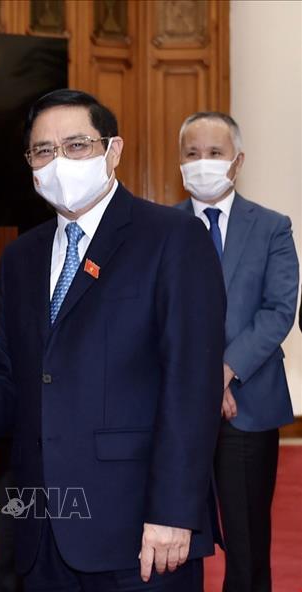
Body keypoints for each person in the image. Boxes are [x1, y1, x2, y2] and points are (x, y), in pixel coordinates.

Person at [0, 89, 226, 591]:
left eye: (77, 145)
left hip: (140, 532)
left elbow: (192, 387)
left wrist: (174, 512)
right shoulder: (21, 258)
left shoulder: (172, 238)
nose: (59, 161)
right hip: (40, 531)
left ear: (113, 150)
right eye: (43, 150)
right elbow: (7, 374)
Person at [176, 111, 299, 592]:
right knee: (172, 539)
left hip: (248, 405)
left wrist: (224, 372)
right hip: (176, 408)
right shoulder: (160, 228)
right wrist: (202, 379)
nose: (202, 162)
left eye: (214, 152)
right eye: (192, 153)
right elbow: (154, 315)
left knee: (247, 546)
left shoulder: (272, 227)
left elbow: (278, 310)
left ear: (238, 161)